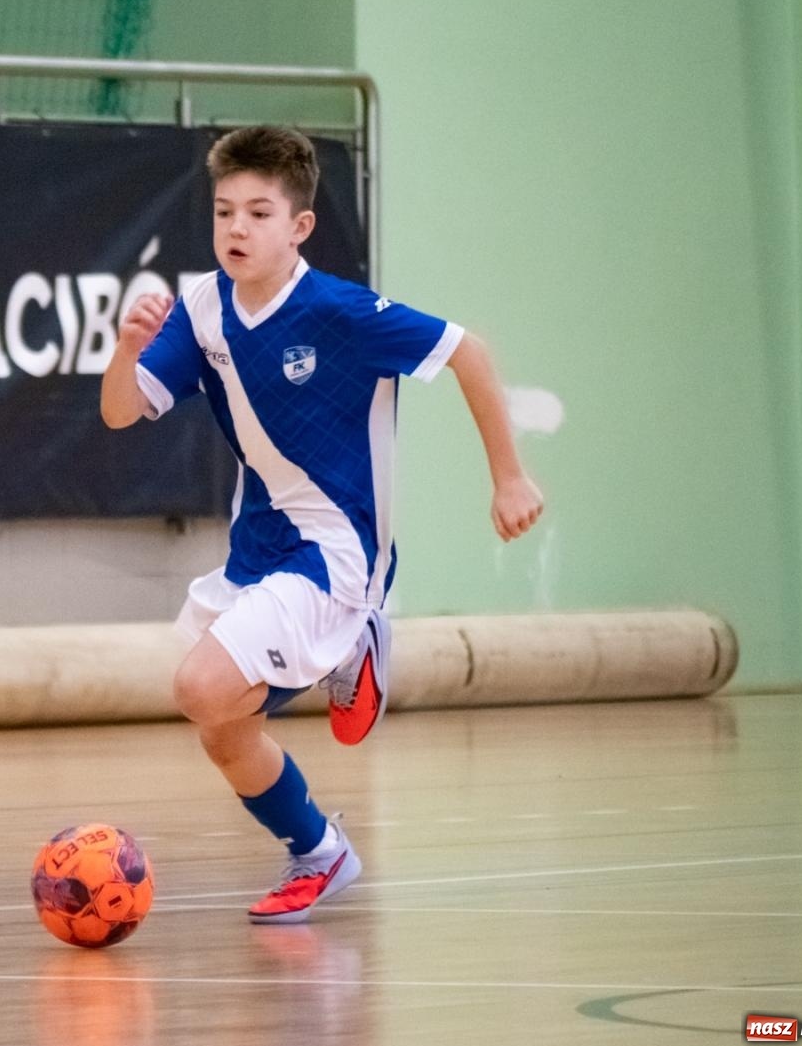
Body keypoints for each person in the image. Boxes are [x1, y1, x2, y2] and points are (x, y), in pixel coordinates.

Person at [101, 126, 544, 923]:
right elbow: (121, 411)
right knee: (218, 723)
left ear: (299, 226)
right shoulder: (202, 306)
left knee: (199, 683)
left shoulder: (340, 312)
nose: (237, 228)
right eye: (225, 211)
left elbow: (469, 353)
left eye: (259, 213)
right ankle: (319, 850)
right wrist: (127, 347)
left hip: (337, 551)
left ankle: (351, 632)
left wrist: (509, 478)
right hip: (258, 551)